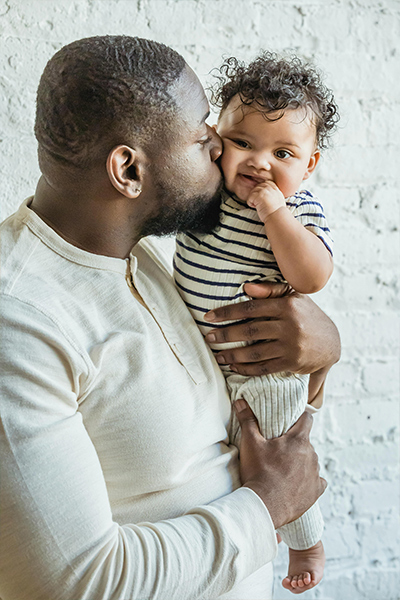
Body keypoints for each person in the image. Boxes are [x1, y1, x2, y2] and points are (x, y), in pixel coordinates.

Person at [0, 36, 339, 600]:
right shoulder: (19, 323)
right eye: (203, 133)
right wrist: (272, 502)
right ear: (128, 169)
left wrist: (325, 344)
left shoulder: (137, 257)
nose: (220, 151)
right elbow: (71, 582)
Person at [174, 52, 340, 593]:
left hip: (260, 368)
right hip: (207, 360)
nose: (259, 162)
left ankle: (306, 540)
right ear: (214, 139)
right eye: (243, 143)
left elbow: (313, 275)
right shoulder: (206, 195)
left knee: (272, 453)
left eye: (283, 152)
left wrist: (275, 214)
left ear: (309, 165)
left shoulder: (299, 210)